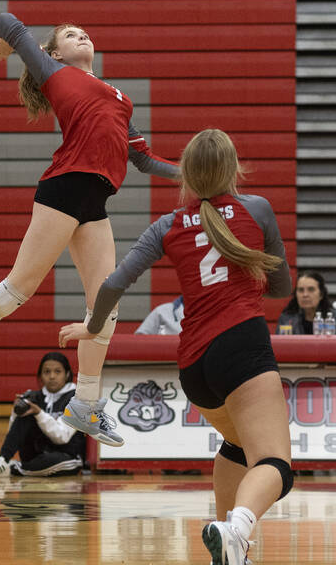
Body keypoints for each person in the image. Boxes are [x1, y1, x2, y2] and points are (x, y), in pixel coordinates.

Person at [0, 12, 180, 447]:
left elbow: (143, 159)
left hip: (95, 200)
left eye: (86, 31)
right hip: (64, 188)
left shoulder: (120, 98)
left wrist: (193, 174)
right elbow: (6, 20)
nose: (82, 34)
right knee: (19, 289)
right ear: (54, 52)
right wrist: (16, 45)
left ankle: (85, 405)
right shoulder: (53, 70)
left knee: (106, 302)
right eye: (70, 33)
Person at [61, 128, 293, 565]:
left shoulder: (166, 226)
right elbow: (282, 287)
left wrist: (92, 329)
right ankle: (237, 528)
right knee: (276, 466)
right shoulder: (257, 209)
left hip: (194, 365)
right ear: (233, 169)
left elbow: (113, 284)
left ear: (186, 174)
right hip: (242, 347)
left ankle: (228, 548)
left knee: (238, 445)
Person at [0, 351, 86, 478]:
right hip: (37, 454)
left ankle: (13, 468)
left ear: (67, 374)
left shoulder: (77, 399)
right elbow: (14, 435)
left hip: (66, 455)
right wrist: (16, 412)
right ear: (40, 375)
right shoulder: (33, 396)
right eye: (47, 372)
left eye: (57, 372)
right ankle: (3, 460)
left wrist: (39, 413)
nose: (52, 376)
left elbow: (62, 437)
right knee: (28, 413)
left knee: (56, 463)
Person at [275, 271, 334, 335]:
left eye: (311, 289)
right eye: (301, 290)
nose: (305, 295)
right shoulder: (286, 319)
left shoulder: (335, 318)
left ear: (321, 295)